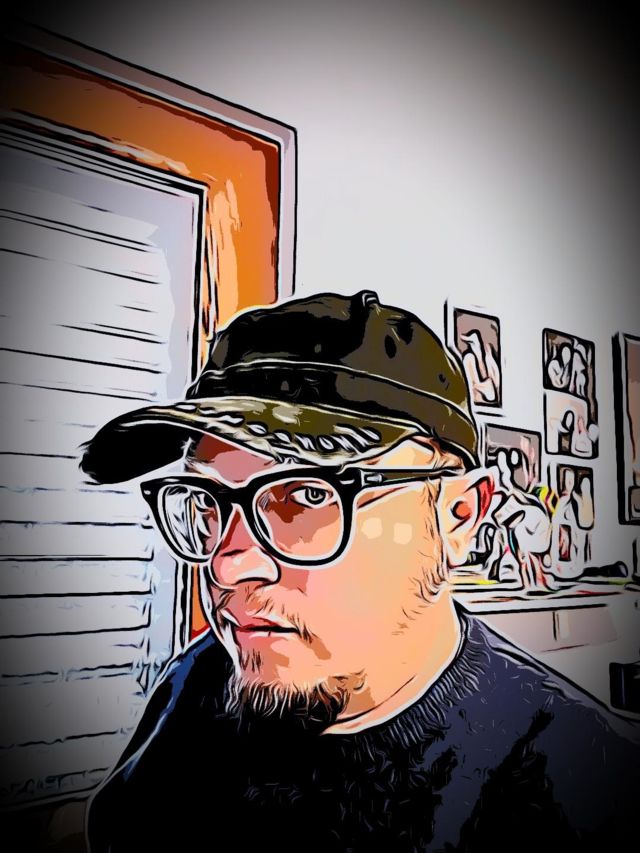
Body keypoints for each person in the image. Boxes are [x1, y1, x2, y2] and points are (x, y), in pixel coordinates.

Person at [81, 291, 638, 852]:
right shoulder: (197, 681)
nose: (229, 563)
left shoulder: (590, 789)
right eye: (208, 502)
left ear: (457, 518)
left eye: (306, 495)